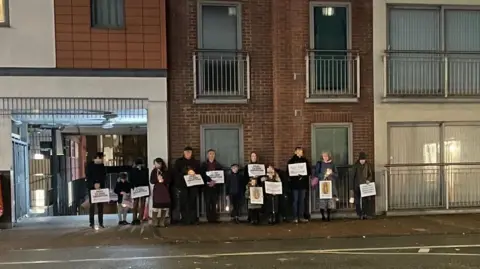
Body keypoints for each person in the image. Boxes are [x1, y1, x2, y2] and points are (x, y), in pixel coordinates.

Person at [173, 146, 201, 225]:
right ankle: (184, 219)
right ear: (184, 153)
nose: (188, 154)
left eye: (190, 152)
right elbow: (176, 173)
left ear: (192, 153)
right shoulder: (179, 162)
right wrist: (185, 173)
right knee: (183, 202)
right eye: (187, 152)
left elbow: (199, 173)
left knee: (193, 202)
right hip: (183, 185)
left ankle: (193, 219)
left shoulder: (196, 162)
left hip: (193, 185)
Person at [287, 147, 311, 224]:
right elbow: (288, 173)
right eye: (299, 151)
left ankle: (301, 216)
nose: (301, 152)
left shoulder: (305, 161)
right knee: (295, 201)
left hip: (303, 184)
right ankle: (295, 217)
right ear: (295, 152)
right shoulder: (291, 161)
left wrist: (303, 175)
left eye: (301, 151)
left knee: (302, 201)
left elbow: (309, 172)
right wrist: (296, 176)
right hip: (295, 184)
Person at [200, 149, 224, 223]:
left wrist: (215, 182)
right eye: (210, 154)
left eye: (213, 154)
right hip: (207, 187)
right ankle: (209, 218)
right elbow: (202, 175)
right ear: (208, 155)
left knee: (214, 202)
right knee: (207, 202)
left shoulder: (218, 165)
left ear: (214, 155)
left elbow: (220, 176)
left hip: (215, 186)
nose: (211, 155)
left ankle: (214, 218)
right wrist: (207, 182)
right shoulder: (204, 165)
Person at [313, 152, 338, 221]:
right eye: (324, 156)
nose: (325, 157)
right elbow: (316, 174)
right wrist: (323, 176)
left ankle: (329, 216)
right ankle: (323, 216)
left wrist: (331, 173)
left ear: (329, 157)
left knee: (330, 201)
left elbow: (336, 175)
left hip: (330, 185)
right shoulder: (320, 164)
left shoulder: (332, 164)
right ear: (322, 157)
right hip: (322, 185)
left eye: (326, 156)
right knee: (322, 202)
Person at [350, 152, 374, 220]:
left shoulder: (367, 165)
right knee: (358, 201)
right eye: (361, 160)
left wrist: (369, 180)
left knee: (365, 200)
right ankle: (360, 213)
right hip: (357, 185)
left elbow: (370, 175)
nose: (362, 161)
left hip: (364, 186)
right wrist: (352, 187)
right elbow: (352, 177)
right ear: (359, 159)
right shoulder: (355, 166)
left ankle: (364, 213)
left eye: (363, 160)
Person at [86, 152, 107, 228]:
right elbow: (88, 176)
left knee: (100, 206)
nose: (102, 159)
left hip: (101, 188)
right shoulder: (90, 166)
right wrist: (94, 184)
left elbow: (104, 176)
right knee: (92, 205)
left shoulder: (102, 166)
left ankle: (101, 222)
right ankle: (91, 222)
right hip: (92, 188)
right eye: (101, 158)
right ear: (97, 158)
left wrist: (100, 184)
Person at [150, 157, 171, 227]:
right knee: (156, 206)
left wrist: (163, 180)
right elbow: (151, 181)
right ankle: (155, 221)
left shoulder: (166, 171)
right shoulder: (153, 171)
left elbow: (169, 180)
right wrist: (157, 179)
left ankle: (162, 221)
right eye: (156, 164)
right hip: (157, 189)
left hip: (164, 189)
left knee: (164, 206)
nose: (157, 165)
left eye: (158, 163)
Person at [130, 158, 150, 225]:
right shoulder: (133, 170)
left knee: (142, 204)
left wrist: (148, 190)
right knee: (135, 204)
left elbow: (146, 179)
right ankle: (134, 218)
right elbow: (131, 179)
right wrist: (132, 187)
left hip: (143, 189)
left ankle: (140, 218)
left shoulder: (145, 170)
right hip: (136, 189)